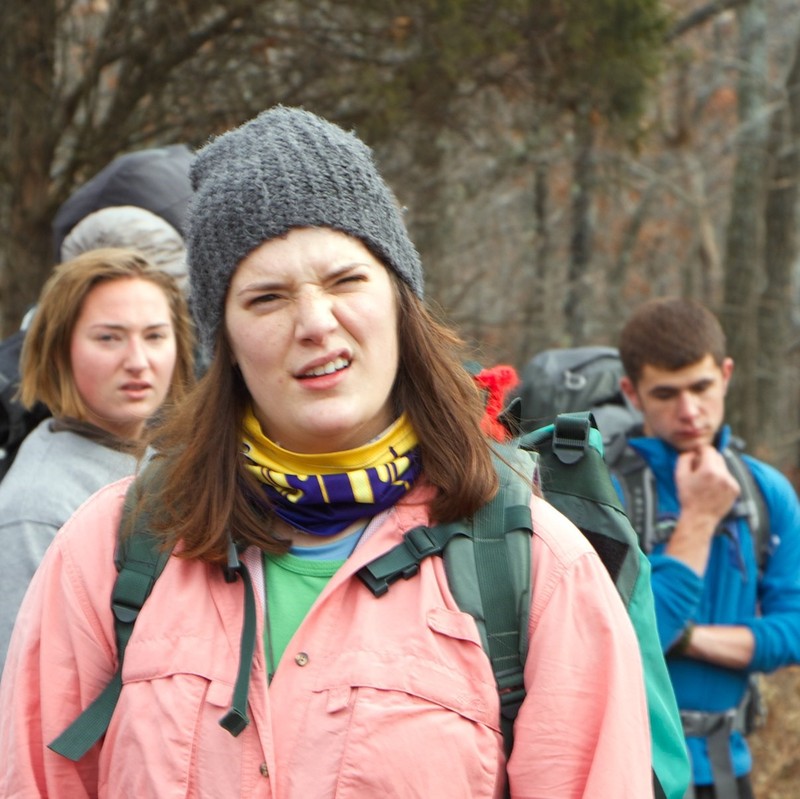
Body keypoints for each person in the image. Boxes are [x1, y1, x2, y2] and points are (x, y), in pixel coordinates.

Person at [0, 107, 652, 798]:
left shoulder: (536, 565)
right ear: (223, 341)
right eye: (267, 296)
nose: (315, 322)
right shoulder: (110, 549)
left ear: (401, 302)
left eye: (345, 281)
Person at [612, 297, 800, 799]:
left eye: (702, 387)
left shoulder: (765, 492)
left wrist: (687, 637)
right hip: (630, 765)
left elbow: (794, 631)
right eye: (666, 394)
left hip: (726, 766)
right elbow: (627, 640)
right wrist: (697, 519)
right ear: (632, 393)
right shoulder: (605, 493)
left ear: (726, 374)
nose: (690, 412)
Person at [0, 247, 195, 667]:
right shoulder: (36, 511)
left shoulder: (165, 458)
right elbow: (25, 697)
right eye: (109, 337)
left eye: (155, 336)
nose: (138, 361)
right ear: (59, 351)